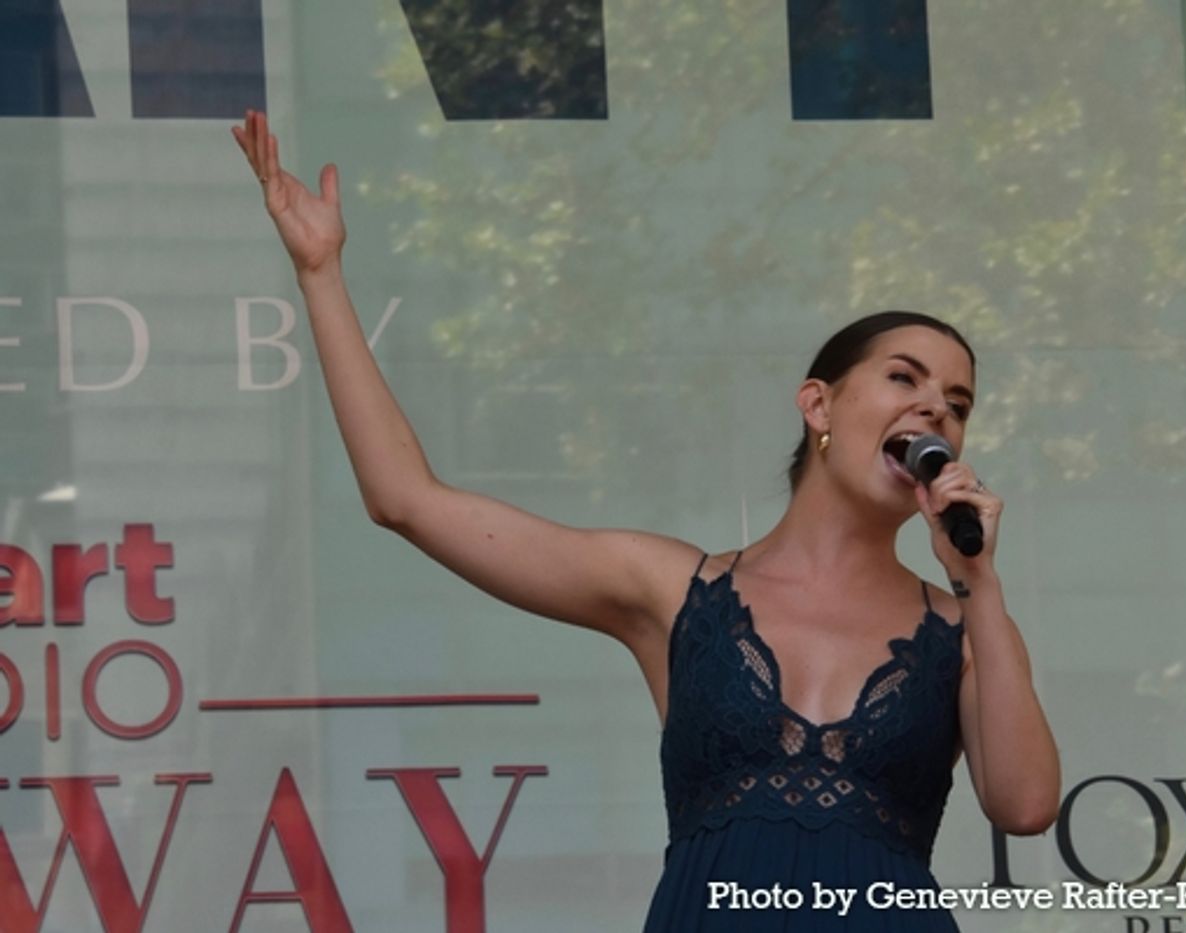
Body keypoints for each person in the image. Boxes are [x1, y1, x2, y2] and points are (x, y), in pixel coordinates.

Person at [231, 111, 1060, 931]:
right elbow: (404, 498)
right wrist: (320, 273)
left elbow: (1023, 805)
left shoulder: (966, 627)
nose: (935, 409)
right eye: (904, 378)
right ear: (819, 405)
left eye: (957, 404)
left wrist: (978, 581)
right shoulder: (674, 591)